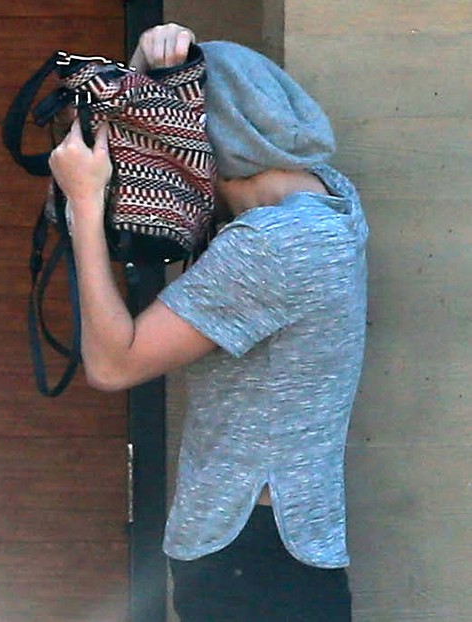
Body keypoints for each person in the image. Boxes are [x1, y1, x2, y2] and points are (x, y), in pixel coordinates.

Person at [49, 22, 368, 622]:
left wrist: (84, 205)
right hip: (286, 546)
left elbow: (113, 366)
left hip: (248, 556)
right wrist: (151, 72)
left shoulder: (271, 245)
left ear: (205, 141)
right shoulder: (330, 204)